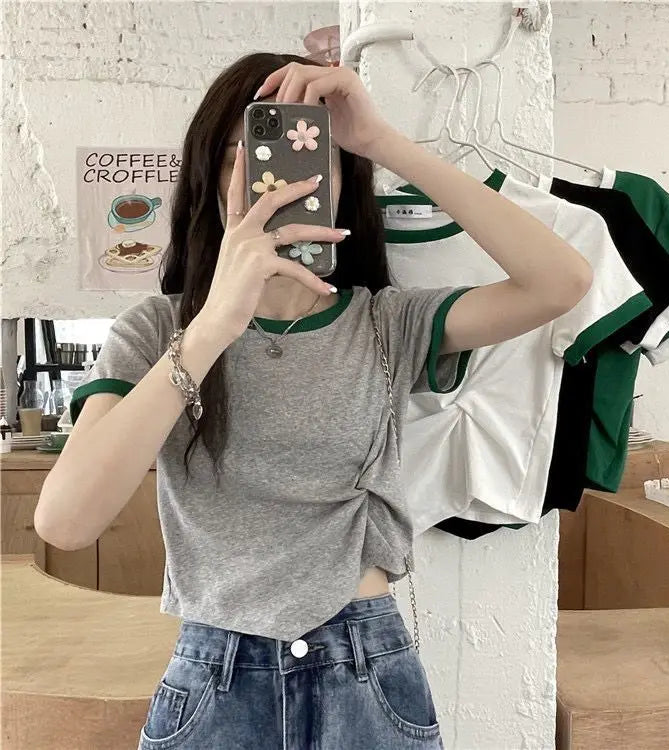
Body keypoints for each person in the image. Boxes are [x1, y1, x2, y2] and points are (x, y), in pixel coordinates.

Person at [35, 52, 592, 749]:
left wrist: (382, 142)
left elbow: (562, 281)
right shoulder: (155, 330)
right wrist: (212, 327)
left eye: (311, 158)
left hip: (364, 666)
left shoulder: (386, 323)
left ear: (339, 182)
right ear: (210, 175)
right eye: (246, 155)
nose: (279, 180)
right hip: (216, 671)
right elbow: (66, 521)